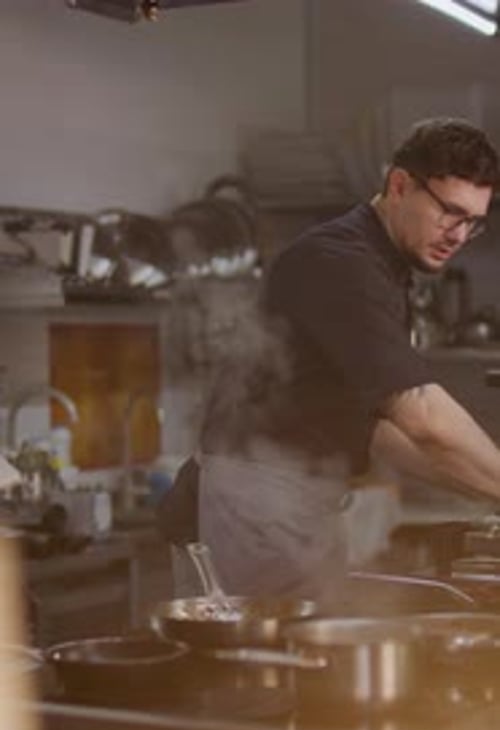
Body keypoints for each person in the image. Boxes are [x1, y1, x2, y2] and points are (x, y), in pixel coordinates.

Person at [171, 118, 500, 609]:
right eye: (450, 212)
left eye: (473, 222)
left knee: (313, 664)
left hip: (300, 503)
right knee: (267, 671)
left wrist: (484, 491)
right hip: (253, 508)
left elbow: (377, 430)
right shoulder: (340, 262)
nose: (458, 234)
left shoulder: (385, 265)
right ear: (399, 184)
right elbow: (424, 418)